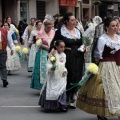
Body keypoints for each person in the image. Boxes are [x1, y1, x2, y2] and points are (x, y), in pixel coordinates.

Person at [76, 17, 120, 120]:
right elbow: (98, 55)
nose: (115, 27)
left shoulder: (119, 38)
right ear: (107, 27)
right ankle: (101, 112)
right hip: (106, 66)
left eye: (116, 25)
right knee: (105, 89)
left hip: (118, 65)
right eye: (113, 26)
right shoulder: (102, 39)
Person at [50, 12, 85, 109]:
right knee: (67, 77)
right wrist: (53, 53)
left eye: (75, 20)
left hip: (78, 57)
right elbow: (54, 43)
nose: (74, 22)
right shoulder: (60, 31)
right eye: (72, 20)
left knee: (77, 76)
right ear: (66, 21)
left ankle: (72, 97)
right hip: (66, 57)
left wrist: (84, 47)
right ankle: (64, 99)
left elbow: (82, 42)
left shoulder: (78, 31)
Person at [39, 40, 67, 112]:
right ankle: (49, 106)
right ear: (56, 46)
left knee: (61, 89)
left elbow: (64, 65)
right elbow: (48, 64)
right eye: (61, 47)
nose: (62, 49)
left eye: (63, 47)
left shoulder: (64, 55)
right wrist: (51, 68)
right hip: (53, 76)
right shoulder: (53, 55)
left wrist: (64, 71)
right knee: (51, 90)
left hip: (60, 76)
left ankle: (61, 105)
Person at [30, 19, 55, 90]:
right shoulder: (40, 33)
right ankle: (42, 85)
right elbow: (38, 44)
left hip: (52, 51)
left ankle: (51, 85)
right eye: (48, 27)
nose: (49, 29)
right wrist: (45, 47)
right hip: (43, 52)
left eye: (50, 27)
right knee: (43, 68)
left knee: (52, 67)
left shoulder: (53, 32)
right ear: (45, 27)